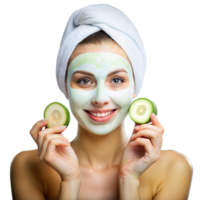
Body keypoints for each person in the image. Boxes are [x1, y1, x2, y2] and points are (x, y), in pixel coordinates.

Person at [9, 3, 193, 200]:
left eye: (116, 80)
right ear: (65, 88)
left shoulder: (174, 167)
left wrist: (129, 179)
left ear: (134, 87)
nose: (100, 98)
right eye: (84, 80)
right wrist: (69, 180)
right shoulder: (27, 165)